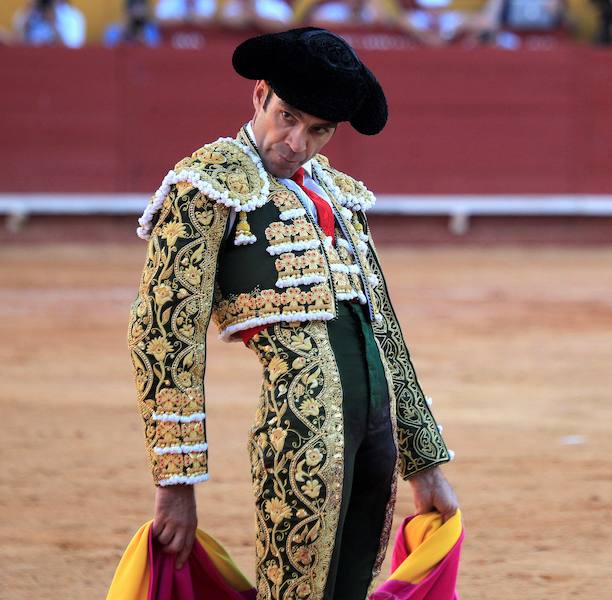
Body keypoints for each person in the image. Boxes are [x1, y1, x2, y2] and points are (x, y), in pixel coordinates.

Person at [126, 27, 458, 600]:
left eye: (318, 130)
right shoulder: (207, 183)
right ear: (259, 95)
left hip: (377, 433)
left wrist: (424, 460)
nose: (296, 142)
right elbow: (164, 335)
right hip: (301, 431)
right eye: (287, 116)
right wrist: (175, 481)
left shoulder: (341, 194)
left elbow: (385, 330)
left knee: (351, 586)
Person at [13, 0, 85, 47]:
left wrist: (53, 23)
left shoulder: (72, 16)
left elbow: (72, 51)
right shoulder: (26, 14)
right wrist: (29, 13)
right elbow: (17, 44)